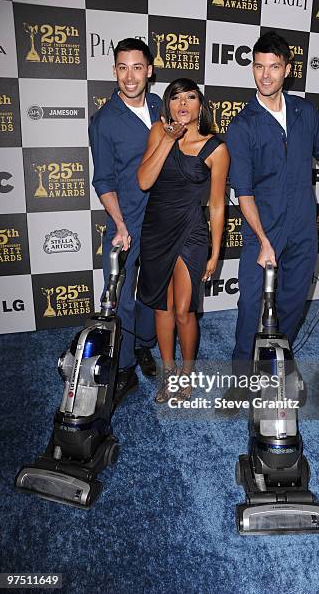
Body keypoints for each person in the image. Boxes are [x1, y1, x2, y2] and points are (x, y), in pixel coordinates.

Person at [226, 30, 319, 381]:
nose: (265, 75)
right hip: (264, 229)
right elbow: (243, 192)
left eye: (274, 66)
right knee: (251, 306)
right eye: (259, 66)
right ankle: (240, 377)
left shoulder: (305, 112)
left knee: (294, 300)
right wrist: (264, 241)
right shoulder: (242, 125)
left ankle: (274, 361)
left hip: (303, 225)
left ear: (287, 69)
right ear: (252, 68)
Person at [137, 78, 229, 403]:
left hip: (190, 232)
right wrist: (167, 139)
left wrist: (215, 252)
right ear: (169, 105)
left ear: (200, 105)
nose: (183, 104)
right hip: (156, 231)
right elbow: (144, 181)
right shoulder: (157, 133)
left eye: (190, 97)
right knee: (161, 309)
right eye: (176, 98)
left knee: (182, 311)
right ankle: (169, 373)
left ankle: (187, 375)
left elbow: (217, 205)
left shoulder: (216, 148)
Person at [89, 38, 161, 402]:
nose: (129, 77)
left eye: (137, 67)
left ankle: (145, 345)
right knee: (120, 296)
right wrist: (119, 224)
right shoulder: (103, 120)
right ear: (114, 70)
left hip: (162, 218)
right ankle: (127, 364)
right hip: (127, 219)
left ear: (149, 70)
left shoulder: (162, 106)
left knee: (152, 290)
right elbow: (103, 179)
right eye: (122, 67)